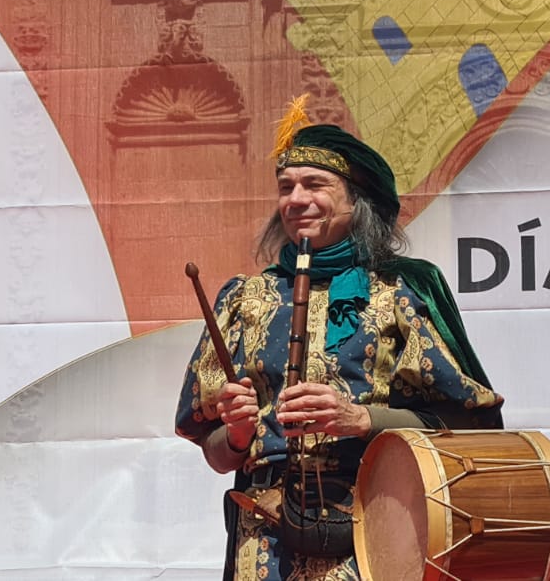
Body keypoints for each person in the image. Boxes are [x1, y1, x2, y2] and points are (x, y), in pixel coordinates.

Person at [175, 109, 504, 581]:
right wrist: (238, 435)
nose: (296, 198)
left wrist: (361, 418)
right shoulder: (246, 299)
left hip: (377, 527)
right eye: (286, 187)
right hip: (264, 540)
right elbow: (216, 454)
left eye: (314, 184)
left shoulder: (399, 295)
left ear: (357, 199)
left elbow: (466, 422)